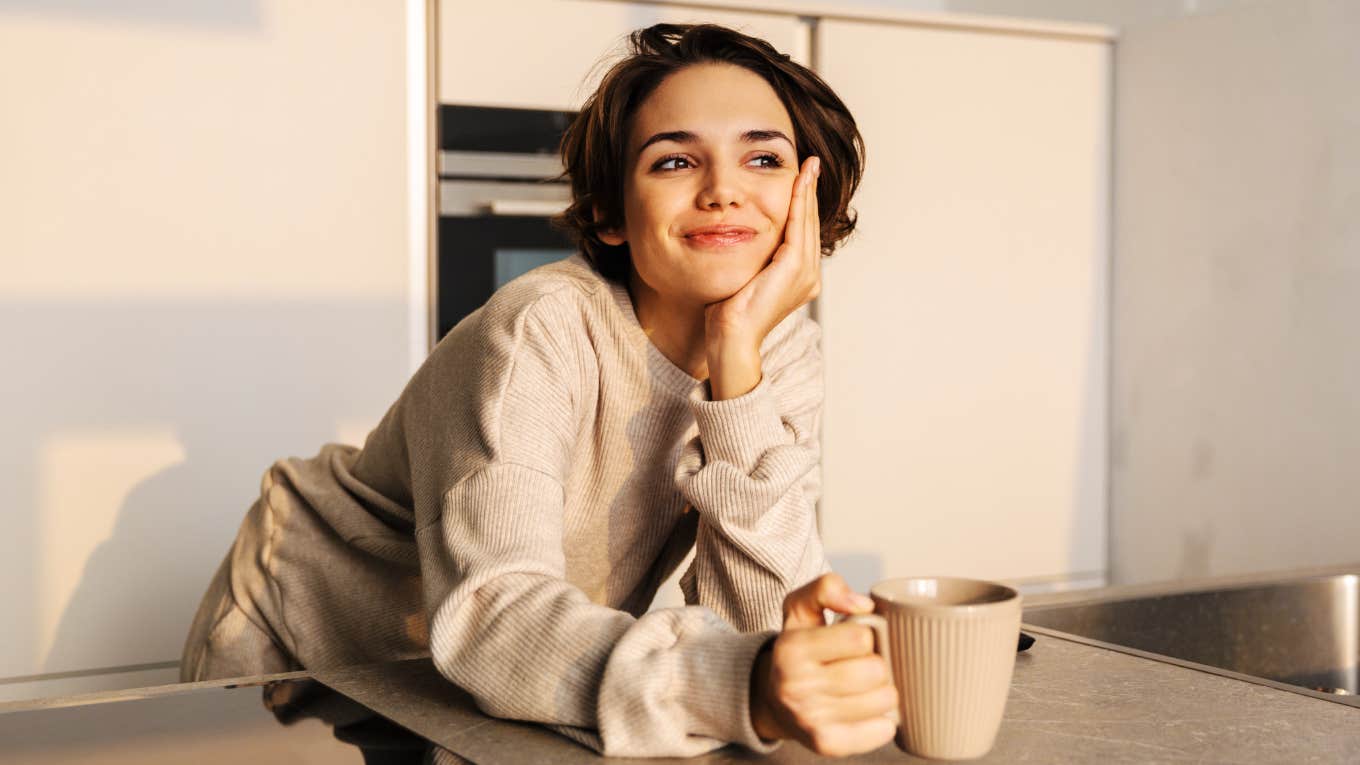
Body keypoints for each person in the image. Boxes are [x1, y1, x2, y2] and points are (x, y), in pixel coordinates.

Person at [181, 22, 893, 759]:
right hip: (311, 644)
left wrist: (736, 359)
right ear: (611, 214)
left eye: (764, 158)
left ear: (810, 194)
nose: (722, 191)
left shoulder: (780, 354)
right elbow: (496, 613)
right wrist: (737, 683)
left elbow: (765, 627)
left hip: (485, 674)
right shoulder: (540, 329)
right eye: (676, 160)